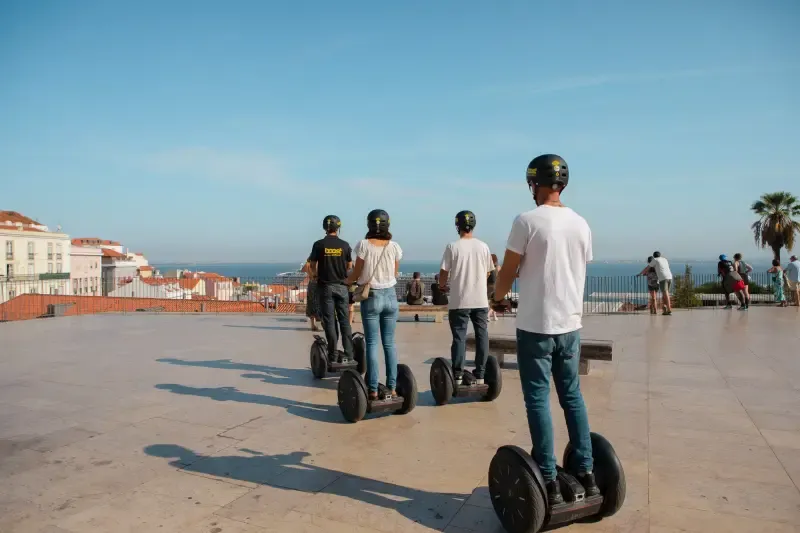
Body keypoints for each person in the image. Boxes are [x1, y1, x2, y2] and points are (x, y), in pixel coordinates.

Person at [490, 154, 599, 506]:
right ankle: (586, 472)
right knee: (572, 397)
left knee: (537, 398)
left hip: (536, 326)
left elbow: (508, 272)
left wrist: (497, 296)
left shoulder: (526, 221)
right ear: (563, 184)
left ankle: (549, 479)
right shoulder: (581, 224)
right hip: (570, 325)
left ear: (533, 184)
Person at [345, 209, 403, 400]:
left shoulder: (363, 245)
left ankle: (373, 389)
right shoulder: (394, 246)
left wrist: (346, 282)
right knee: (389, 343)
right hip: (391, 297)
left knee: (372, 343)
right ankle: (393, 387)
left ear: (369, 224)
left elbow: (357, 272)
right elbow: (395, 273)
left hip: (371, 296)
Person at [438, 210, 494, 386]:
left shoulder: (452, 247)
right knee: (482, 335)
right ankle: (481, 374)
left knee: (459, 337)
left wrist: (442, 285)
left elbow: (444, 272)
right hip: (480, 300)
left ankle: (458, 374)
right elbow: (487, 272)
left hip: (459, 300)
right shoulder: (484, 246)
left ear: (457, 226)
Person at [308, 215, 355, 362]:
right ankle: (349, 354)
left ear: (325, 228)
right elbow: (349, 266)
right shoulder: (345, 245)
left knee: (330, 322)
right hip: (342, 287)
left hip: (326, 287)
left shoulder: (318, 244)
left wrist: (315, 275)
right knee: (344, 321)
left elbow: (312, 264)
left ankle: (333, 355)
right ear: (338, 228)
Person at [303, 261, 320, 331]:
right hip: (318, 283)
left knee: (311, 303)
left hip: (312, 282)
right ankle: (316, 324)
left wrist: (310, 274)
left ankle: (313, 325)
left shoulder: (311, 261)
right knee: (319, 302)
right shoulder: (320, 260)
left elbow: (304, 268)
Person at [487, 254, 500, 321]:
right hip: (495, 286)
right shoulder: (497, 267)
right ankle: (488, 315)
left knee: (491, 301)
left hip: (487, 286)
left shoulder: (488, 266)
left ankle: (494, 316)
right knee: (495, 302)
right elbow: (500, 276)